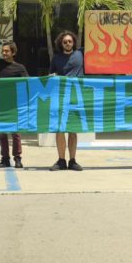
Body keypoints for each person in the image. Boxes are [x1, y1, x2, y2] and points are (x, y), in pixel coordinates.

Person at [48, 30, 84, 171]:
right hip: (60, 97)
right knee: (60, 129)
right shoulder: (56, 58)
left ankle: (73, 161)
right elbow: (51, 76)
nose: (67, 43)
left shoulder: (81, 54)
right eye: (65, 42)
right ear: (61, 44)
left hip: (76, 97)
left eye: (70, 41)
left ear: (73, 42)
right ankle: (61, 160)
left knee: (73, 129)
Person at [0, 41, 29, 169]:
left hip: (14, 105)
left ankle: (17, 158)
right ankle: (5, 159)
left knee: (15, 132)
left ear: (13, 52)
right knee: (2, 133)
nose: (4, 53)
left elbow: (28, 84)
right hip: (0, 103)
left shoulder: (20, 68)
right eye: (3, 51)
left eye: (7, 51)